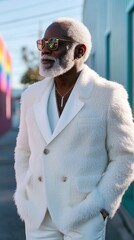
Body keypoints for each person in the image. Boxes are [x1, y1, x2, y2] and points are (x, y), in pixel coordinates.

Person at [14, 17, 134, 240]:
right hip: (39, 214)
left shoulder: (109, 95)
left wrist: (102, 206)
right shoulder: (31, 96)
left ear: (79, 51)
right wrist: (24, 191)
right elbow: (24, 150)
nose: (44, 51)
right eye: (42, 44)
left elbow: (126, 157)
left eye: (53, 44)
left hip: (83, 215)